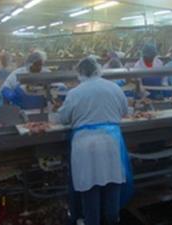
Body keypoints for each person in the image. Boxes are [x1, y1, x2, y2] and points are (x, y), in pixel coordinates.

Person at [55, 56, 133, 225]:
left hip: (85, 144)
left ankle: (92, 221)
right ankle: (112, 219)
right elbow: (125, 111)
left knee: (89, 187)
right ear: (98, 70)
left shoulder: (75, 93)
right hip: (111, 141)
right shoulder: (114, 88)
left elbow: (63, 118)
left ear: (80, 73)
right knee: (112, 183)